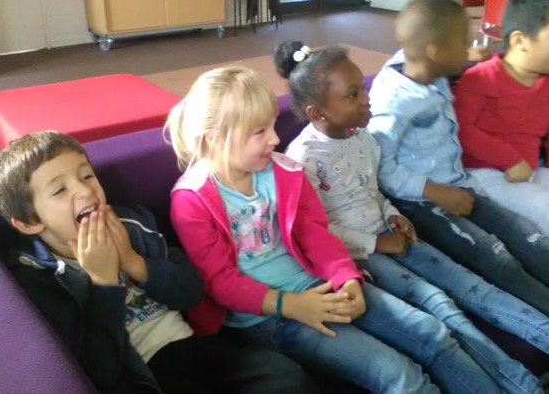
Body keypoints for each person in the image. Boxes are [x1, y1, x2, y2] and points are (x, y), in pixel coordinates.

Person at [166, 65, 514, 394]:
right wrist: (293, 305)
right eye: (260, 132)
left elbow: (315, 235)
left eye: (271, 126)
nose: (274, 138)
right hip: (270, 315)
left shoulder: (282, 171)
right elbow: (219, 281)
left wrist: (347, 277)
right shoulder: (192, 199)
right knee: (397, 373)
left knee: (432, 333)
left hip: (322, 285)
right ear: (214, 139)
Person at [278, 40, 548, 393]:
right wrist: (377, 243)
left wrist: (392, 214)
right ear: (317, 113)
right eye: (353, 95)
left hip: (391, 235)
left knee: (473, 288)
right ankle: (523, 386)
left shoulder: (363, 138)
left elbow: (372, 190)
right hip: (358, 255)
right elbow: (316, 230)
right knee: (442, 310)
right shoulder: (303, 159)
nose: (366, 99)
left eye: (362, 88)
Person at [0, 130, 322, 394]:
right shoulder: (39, 276)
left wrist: (134, 262)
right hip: (143, 374)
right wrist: (104, 282)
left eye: (86, 176)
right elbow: (98, 368)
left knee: (287, 378)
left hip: (194, 345)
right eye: (59, 191)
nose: (85, 192)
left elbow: (190, 293)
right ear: (28, 222)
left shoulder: (133, 223)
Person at [367, 0, 549, 319]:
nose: (471, 49)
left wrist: (464, 56)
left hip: (459, 184)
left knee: (528, 237)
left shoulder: (426, 66)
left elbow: (423, 45)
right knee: (497, 257)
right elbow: (382, 167)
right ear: (436, 52)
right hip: (423, 200)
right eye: (464, 43)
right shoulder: (395, 103)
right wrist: (436, 192)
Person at [453, 0, 549, 236]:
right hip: (485, 173)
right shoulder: (481, 78)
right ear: (519, 41)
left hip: (529, 169)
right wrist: (510, 160)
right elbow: (461, 129)